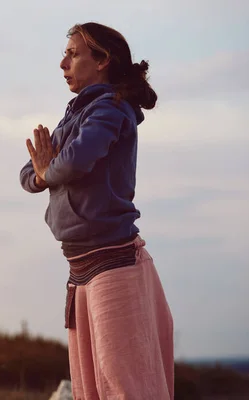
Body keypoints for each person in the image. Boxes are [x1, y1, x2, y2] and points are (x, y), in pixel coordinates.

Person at [19, 22, 174, 399]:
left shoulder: (111, 109)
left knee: (126, 388)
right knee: (92, 390)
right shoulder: (74, 116)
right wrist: (44, 172)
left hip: (113, 268)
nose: (62, 63)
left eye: (73, 54)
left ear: (102, 60)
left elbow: (72, 163)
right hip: (80, 270)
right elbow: (28, 175)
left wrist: (48, 170)